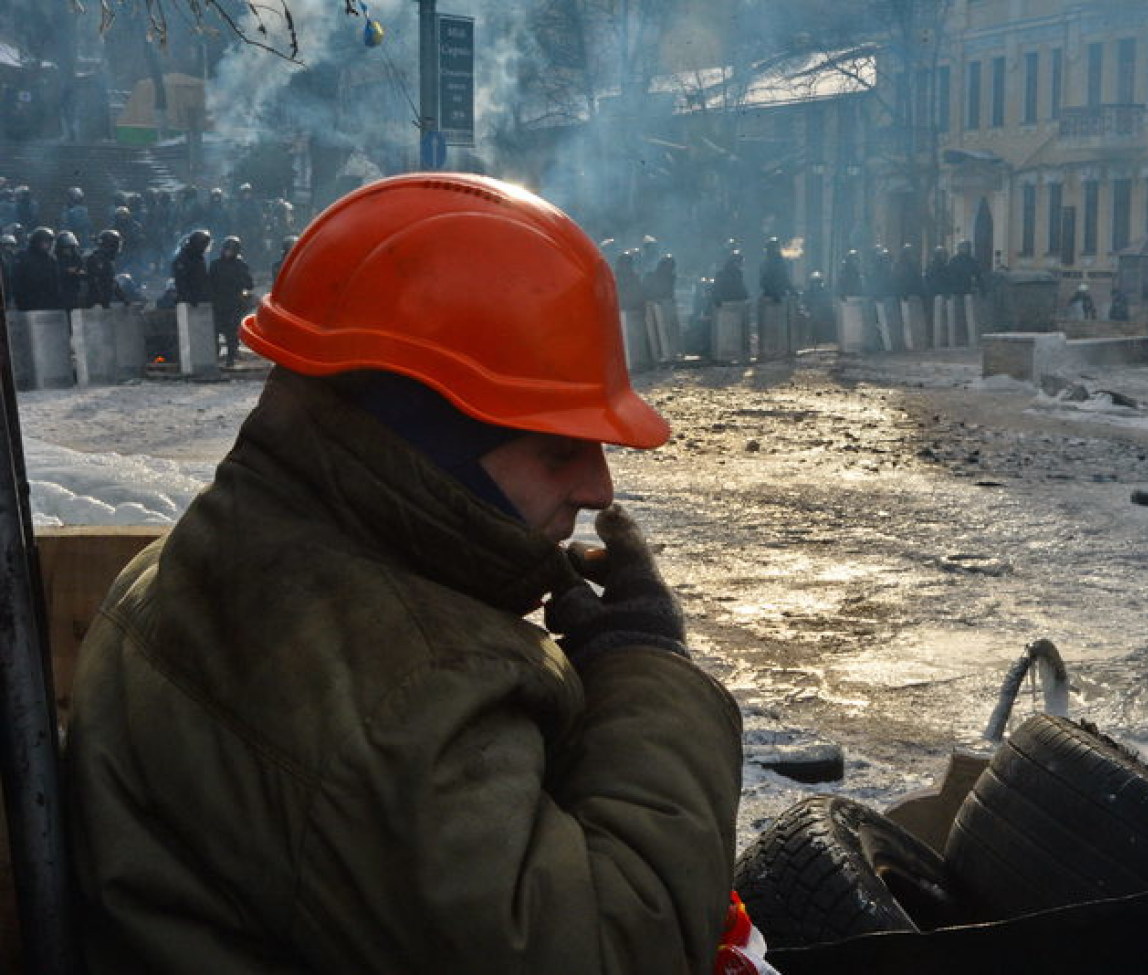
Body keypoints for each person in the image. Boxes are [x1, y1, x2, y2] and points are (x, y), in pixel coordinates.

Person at [67, 173, 743, 973]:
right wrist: (647, 672)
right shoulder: (407, 697)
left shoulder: (214, 553)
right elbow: (619, 949)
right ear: (427, 449)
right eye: (559, 447)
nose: (598, 486)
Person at [208, 235, 254, 366]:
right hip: (219, 303)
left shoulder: (241, 266)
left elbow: (249, 284)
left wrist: (239, 284)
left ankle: (230, 359)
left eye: (232, 250)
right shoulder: (215, 265)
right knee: (215, 333)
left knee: (231, 334)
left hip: (234, 304)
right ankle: (215, 359)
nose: (228, 252)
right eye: (227, 249)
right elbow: (210, 283)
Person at [11, 226, 61, 311]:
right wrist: (20, 300)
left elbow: (56, 282)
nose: (46, 244)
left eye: (48, 241)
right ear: (36, 242)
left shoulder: (51, 259)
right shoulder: (23, 257)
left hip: (48, 303)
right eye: (43, 241)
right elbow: (17, 281)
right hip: (28, 302)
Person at [171, 229, 212, 306]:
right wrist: (189, 297)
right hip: (186, 301)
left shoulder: (198, 257)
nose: (206, 248)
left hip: (199, 299)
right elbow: (180, 281)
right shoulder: (184, 257)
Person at [84, 230, 123, 309]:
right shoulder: (97, 259)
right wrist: (99, 302)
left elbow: (112, 282)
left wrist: (124, 299)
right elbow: (94, 282)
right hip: (94, 305)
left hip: (103, 302)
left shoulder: (107, 259)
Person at [53, 230, 86, 310]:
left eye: (71, 248)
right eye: (66, 248)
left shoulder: (77, 258)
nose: (68, 251)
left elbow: (83, 271)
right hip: (60, 294)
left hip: (75, 293)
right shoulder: (55, 259)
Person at [758, 237, 793, 301]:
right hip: (771, 296)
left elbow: (785, 278)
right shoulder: (767, 263)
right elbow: (764, 281)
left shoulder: (780, 262)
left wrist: (791, 290)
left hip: (778, 296)